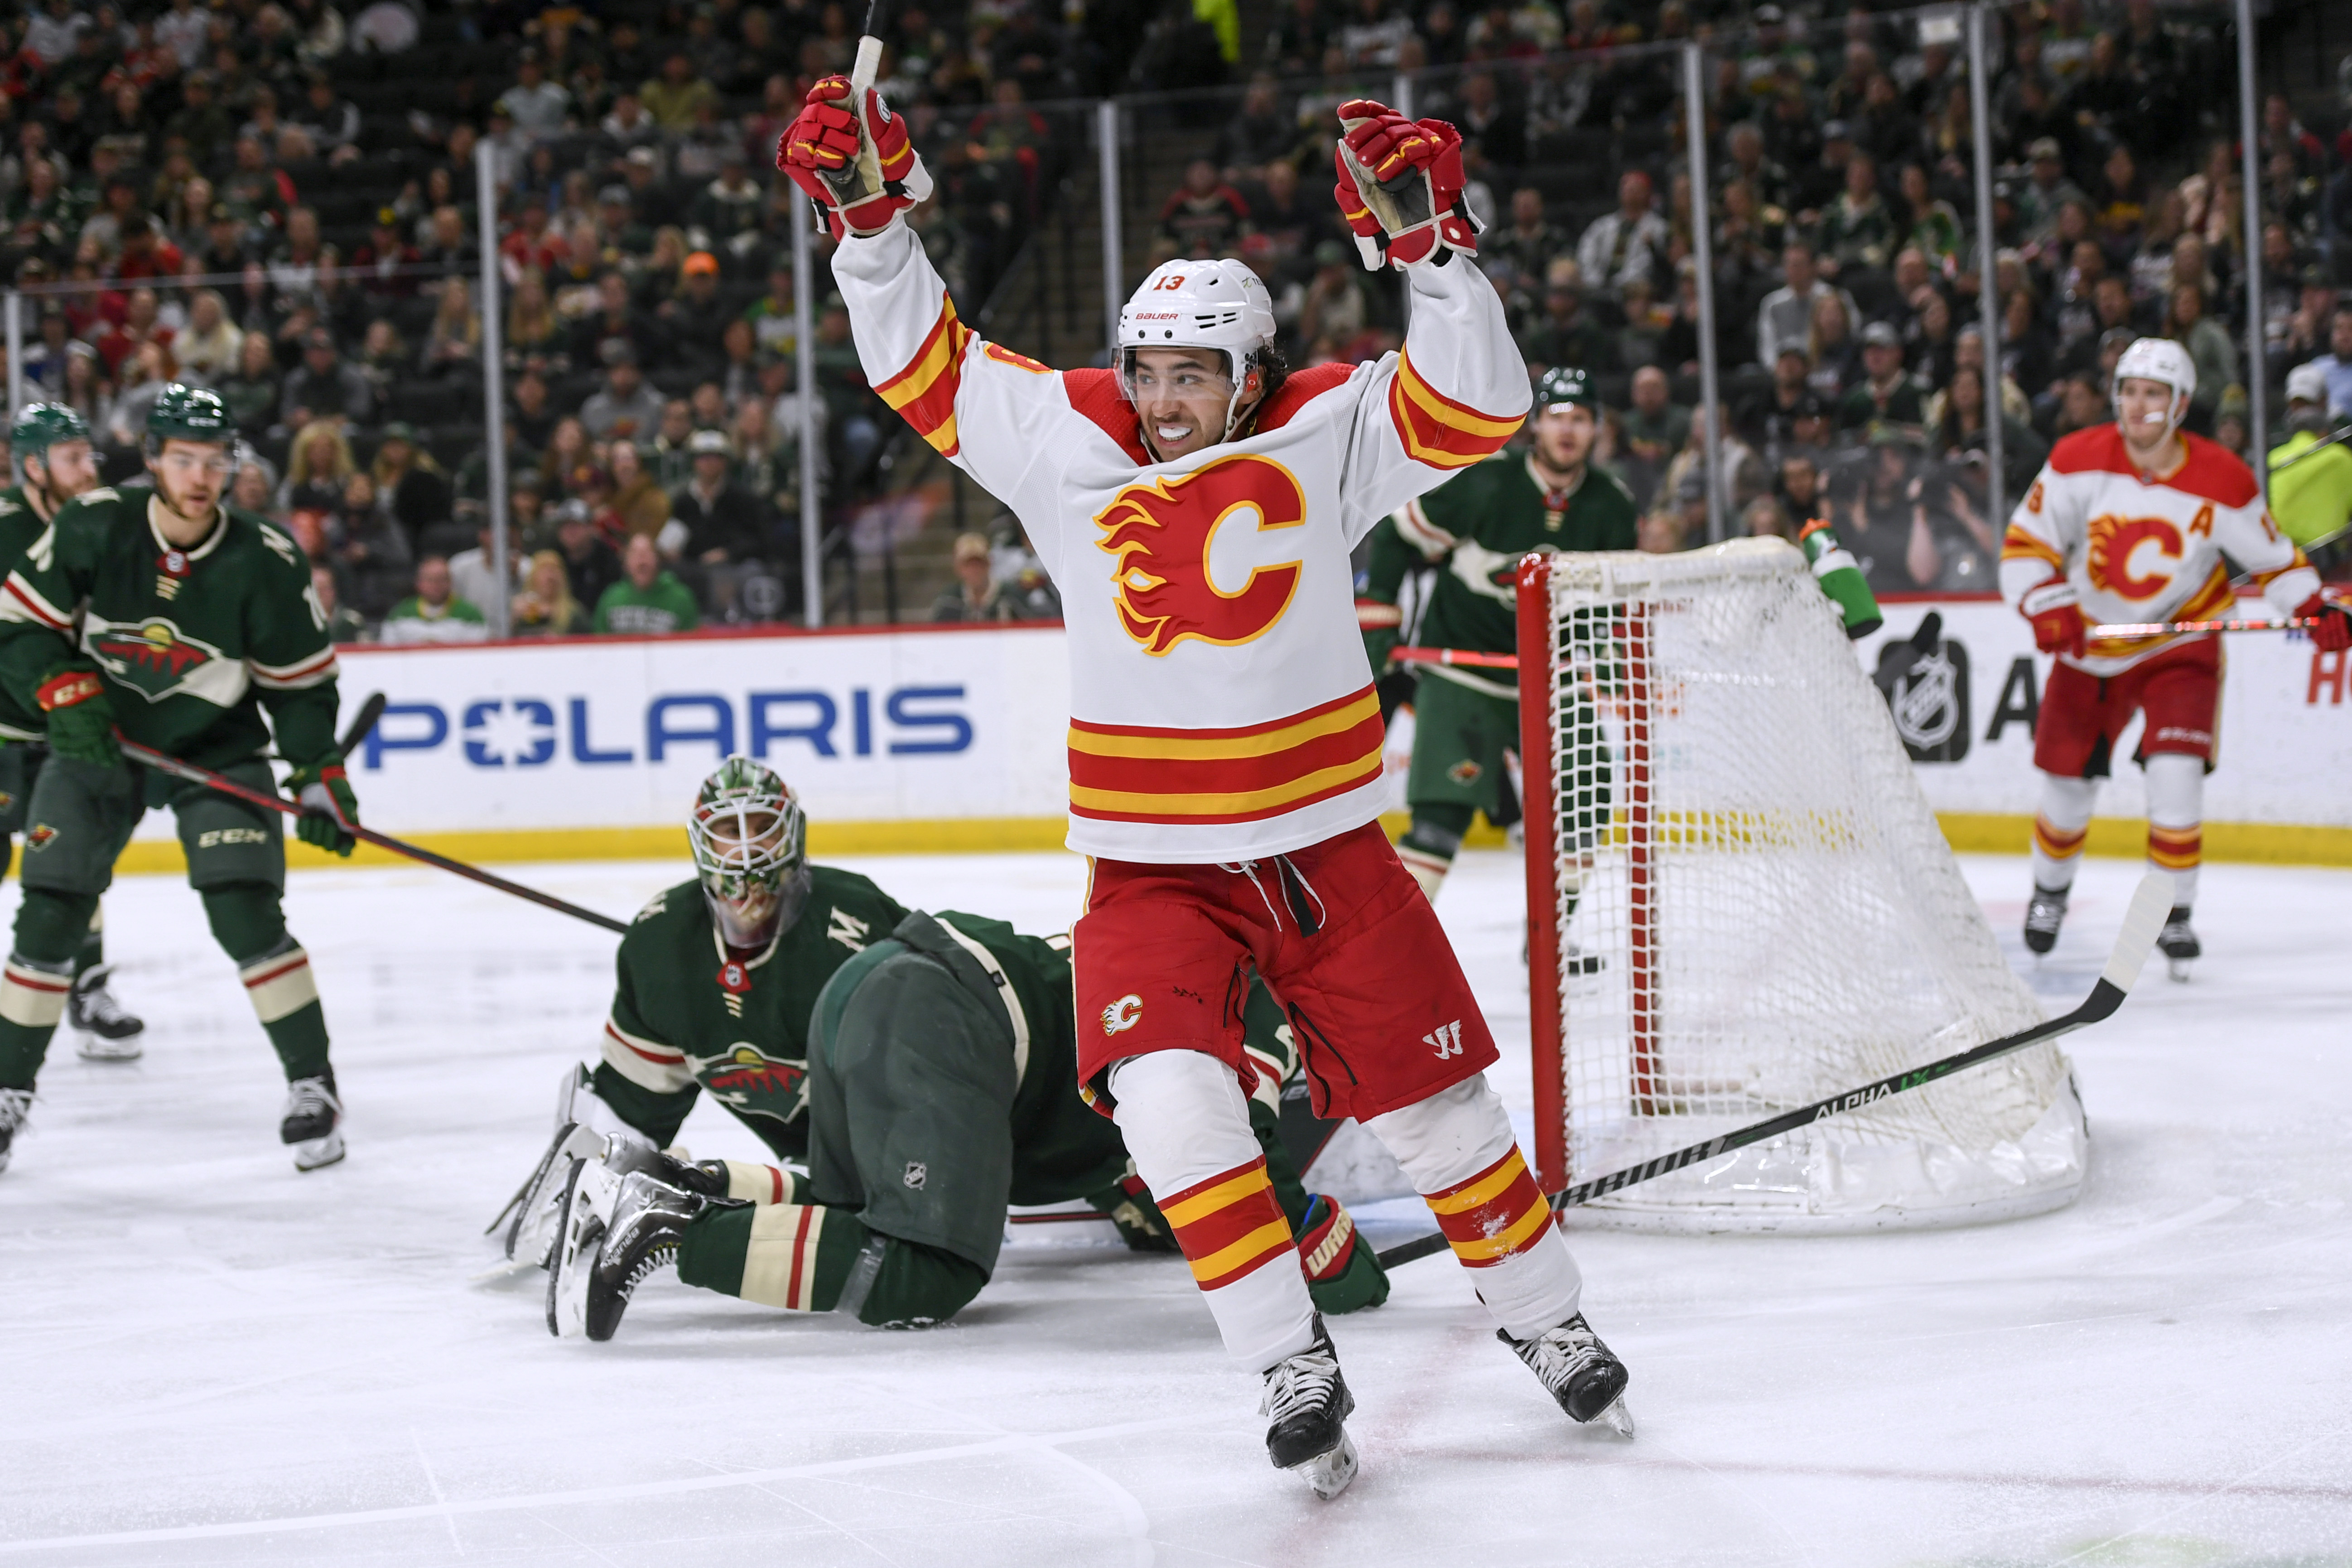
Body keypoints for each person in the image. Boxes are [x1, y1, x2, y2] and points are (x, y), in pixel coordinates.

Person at [786, 81, 1631, 1500]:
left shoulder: (1326, 426)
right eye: (1147, 368)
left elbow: (1479, 401)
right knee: (1174, 1113)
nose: (1165, 398)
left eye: (1192, 374)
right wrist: (870, 225)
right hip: (1153, 867)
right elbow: (924, 366)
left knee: (1437, 1120)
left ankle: (1547, 1321)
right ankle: (1285, 1361)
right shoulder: (1064, 436)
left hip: (1325, 856)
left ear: (1246, 372)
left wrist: (1432, 256)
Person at [525, 758, 1388, 1339]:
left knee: (853, 1205)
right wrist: (1343, 1252)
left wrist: (1143, 1195)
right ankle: (673, 1230)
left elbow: (1145, 1153)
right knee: (926, 1272)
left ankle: (684, 1184)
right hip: (948, 1021)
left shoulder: (1195, 960)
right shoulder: (1258, 1025)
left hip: (896, 994)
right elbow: (1285, 1234)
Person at [0, 387, 361, 1175]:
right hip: (101, 745)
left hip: (215, 749)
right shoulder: (94, 524)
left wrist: (318, 770)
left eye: (215, 460)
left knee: (245, 914)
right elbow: (21, 628)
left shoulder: (264, 559)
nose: (201, 477)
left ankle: (313, 1083)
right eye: (184, 459)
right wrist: (61, 691)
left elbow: (299, 689)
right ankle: (7, 1092)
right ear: (154, 461)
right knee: (51, 913)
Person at [2001, 339, 2346, 973]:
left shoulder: (2222, 477)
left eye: (2155, 394)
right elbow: (2028, 543)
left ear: (2181, 404)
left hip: (2183, 643)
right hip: (2093, 647)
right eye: (2130, 391)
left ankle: (2173, 912)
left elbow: (2274, 560)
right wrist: (2048, 606)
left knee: (2175, 777)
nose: (2139, 405)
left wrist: (2312, 606)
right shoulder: (2076, 460)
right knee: (2067, 791)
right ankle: (2050, 892)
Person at [1359, 367, 1637, 906]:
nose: (1567, 429)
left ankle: (1551, 942)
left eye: (1580, 418)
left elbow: (1605, 602)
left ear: (1597, 430)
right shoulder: (1486, 481)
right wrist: (1380, 610)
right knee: (1440, 818)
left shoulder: (1612, 506)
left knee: (1584, 802)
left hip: (1549, 674)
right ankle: (1406, 950)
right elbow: (1397, 534)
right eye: (1556, 416)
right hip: (1462, 671)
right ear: (1535, 425)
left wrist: (1605, 651)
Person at [0, 405, 145, 1061]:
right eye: (73, 458)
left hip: (69, 730)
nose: (91, 469)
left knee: (72, 857)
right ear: (33, 466)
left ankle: (86, 986)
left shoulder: (101, 523)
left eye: (90, 455)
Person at [2267, 364, 2350, 569]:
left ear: (2324, 401)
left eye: (2308, 403)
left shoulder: (2274, 457)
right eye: (2297, 403)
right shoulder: (2341, 456)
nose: (2301, 409)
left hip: (2284, 556)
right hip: (2328, 560)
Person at [594, 533, 699, 634]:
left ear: (658, 559)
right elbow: (598, 642)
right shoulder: (611, 598)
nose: (642, 560)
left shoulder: (681, 599)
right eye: (635, 554)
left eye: (647, 553)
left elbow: (692, 643)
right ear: (625, 563)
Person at [380, 555, 490, 645]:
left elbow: (477, 654)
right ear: (418, 583)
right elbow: (388, 651)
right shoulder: (400, 614)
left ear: (451, 582)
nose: (436, 585)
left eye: (442, 579)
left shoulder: (470, 615)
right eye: (430, 580)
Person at [930, 531, 1023, 621]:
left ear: (989, 564)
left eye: (979, 563)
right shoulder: (949, 600)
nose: (974, 570)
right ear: (958, 567)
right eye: (968, 565)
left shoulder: (1010, 596)